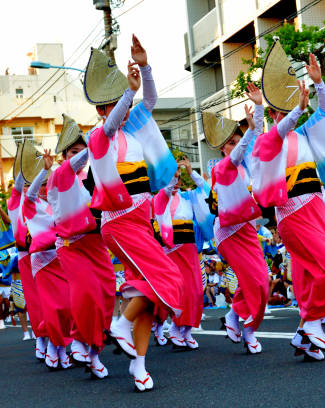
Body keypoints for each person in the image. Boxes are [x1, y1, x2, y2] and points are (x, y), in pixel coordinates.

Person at [84, 37, 182, 391]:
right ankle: (120, 324)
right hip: (119, 223)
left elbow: (151, 99)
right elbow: (111, 125)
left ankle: (138, 365)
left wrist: (145, 66)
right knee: (168, 275)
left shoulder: (136, 126)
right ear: (100, 111)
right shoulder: (100, 136)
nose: (120, 111)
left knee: (150, 293)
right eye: (111, 106)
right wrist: (128, 91)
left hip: (141, 220)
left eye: (122, 104)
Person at [252, 43, 325, 360]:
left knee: (316, 275)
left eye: (290, 108)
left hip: (313, 211)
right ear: (272, 114)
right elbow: (274, 134)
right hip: (292, 216)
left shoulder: (306, 134)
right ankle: (311, 326)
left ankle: (306, 331)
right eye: (280, 111)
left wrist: (319, 82)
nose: (287, 115)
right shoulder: (267, 142)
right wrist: (291, 109)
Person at [46, 115, 116, 378]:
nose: (80, 156)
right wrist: (96, 139)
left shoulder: (91, 175)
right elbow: (76, 161)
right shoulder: (58, 177)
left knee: (107, 294)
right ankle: (76, 339)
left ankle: (95, 352)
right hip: (70, 246)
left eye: (81, 150)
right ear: (65, 155)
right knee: (86, 291)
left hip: (96, 244)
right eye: (73, 151)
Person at [203, 84, 269, 355]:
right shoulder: (221, 168)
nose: (235, 147)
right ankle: (249, 330)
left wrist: (260, 106)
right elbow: (245, 146)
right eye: (229, 143)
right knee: (252, 280)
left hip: (248, 230)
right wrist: (250, 130)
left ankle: (235, 316)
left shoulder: (248, 167)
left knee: (261, 280)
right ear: (221, 149)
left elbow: (254, 143)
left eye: (236, 141)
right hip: (228, 234)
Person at [22, 146, 74, 370]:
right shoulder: (31, 204)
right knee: (52, 308)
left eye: (48, 183)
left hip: (63, 258)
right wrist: (44, 171)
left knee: (68, 307)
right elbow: (31, 192)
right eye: (43, 184)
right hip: (42, 261)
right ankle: (54, 347)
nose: (45, 187)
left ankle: (62, 348)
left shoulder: (60, 204)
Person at [153, 157, 211, 350]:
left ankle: (186, 330)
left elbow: (207, 192)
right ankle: (173, 328)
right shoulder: (160, 197)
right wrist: (172, 175)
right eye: (173, 178)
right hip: (170, 252)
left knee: (195, 290)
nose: (176, 182)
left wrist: (190, 172)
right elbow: (167, 191)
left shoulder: (187, 197)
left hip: (188, 249)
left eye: (178, 179)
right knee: (176, 291)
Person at [7, 144, 48, 360]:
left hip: (49, 253)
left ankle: (57, 342)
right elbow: (20, 181)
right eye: (26, 182)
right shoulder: (16, 202)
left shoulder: (43, 199)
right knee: (35, 301)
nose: (28, 186)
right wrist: (25, 162)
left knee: (52, 300)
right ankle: (41, 339)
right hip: (26, 255)